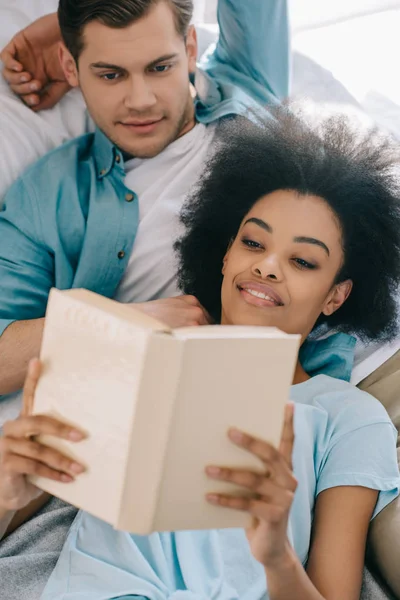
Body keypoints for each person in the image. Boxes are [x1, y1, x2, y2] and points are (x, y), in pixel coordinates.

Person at [3, 108, 400, 600]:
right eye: (253, 242)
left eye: (302, 260)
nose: (268, 267)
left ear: (335, 296)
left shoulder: (348, 416)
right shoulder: (136, 363)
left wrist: (276, 557)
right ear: (227, 254)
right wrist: (7, 495)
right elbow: (22, 502)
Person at [0, 1, 291, 598]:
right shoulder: (50, 190)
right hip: (115, 449)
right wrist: (127, 323)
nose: (139, 100)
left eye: (159, 67)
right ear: (70, 66)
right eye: (110, 74)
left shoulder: (249, 92)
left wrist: (62, 16)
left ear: (189, 49)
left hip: (293, 407)